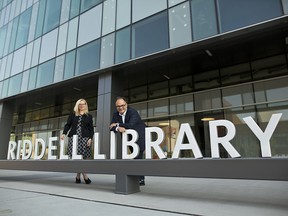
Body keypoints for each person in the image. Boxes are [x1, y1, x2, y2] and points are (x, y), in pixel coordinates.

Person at [109, 96, 146, 186]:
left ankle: (141, 180)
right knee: (136, 158)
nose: (121, 108)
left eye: (123, 105)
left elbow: (130, 125)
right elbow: (111, 127)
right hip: (129, 139)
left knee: (138, 158)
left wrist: (117, 124)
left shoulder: (133, 112)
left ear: (127, 104)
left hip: (140, 136)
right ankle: (138, 178)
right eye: (118, 106)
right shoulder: (115, 114)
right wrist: (118, 128)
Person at [60, 98, 94, 184]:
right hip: (74, 138)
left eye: (83, 104)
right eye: (80, 104)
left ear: (86, 105)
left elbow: (91, 129)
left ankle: (78, 177)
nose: (82, 105)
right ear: (77, 105)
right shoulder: (72, 115)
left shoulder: (89, 116)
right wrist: (64, 133)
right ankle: (85, 176)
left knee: (82, 157)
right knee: (78, 158)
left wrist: (90, 138)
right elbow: (68, 125)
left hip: (84, 138)